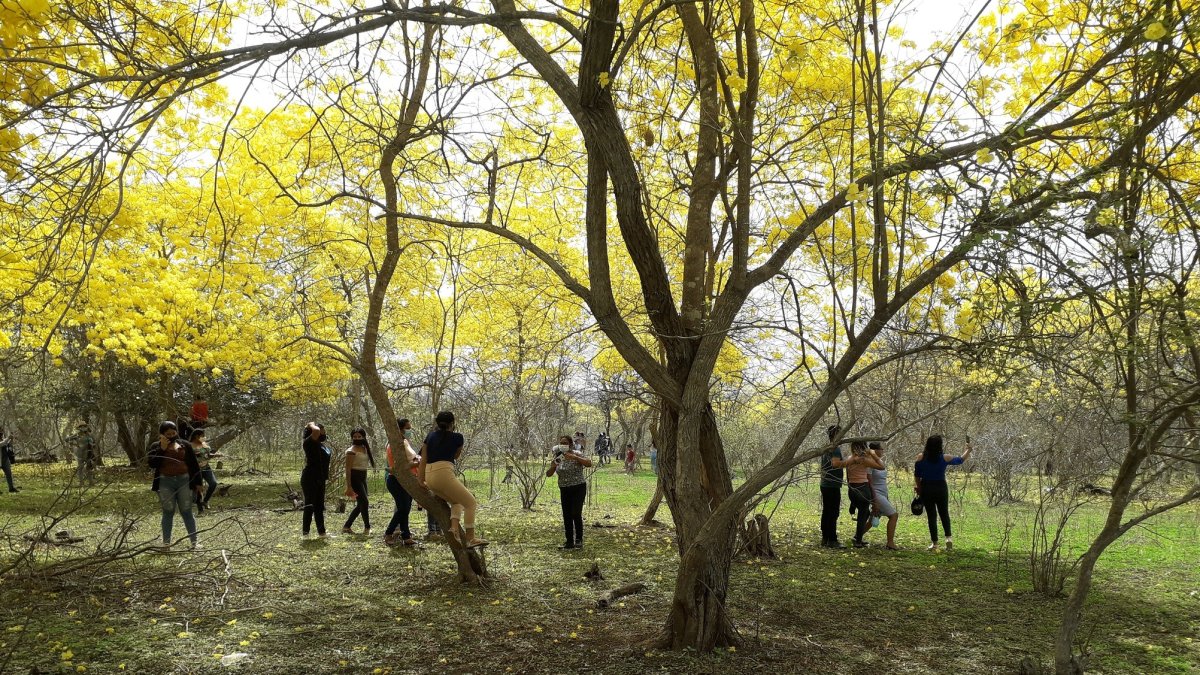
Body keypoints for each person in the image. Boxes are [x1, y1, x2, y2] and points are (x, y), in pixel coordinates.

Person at [418, 411, 486, 548]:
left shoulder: (429, 436)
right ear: (452, 423)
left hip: (430, 476)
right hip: (444, 473)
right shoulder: (458, 437)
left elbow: (423, 459)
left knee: (456, 501)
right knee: (471, 503)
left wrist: (421, 480)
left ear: (437, 423)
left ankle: (454, 528)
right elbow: (456, 456)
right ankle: (470, 538)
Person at [147, 421, 201, 548]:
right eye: (168, 434)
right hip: (165, 482)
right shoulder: (155, 446)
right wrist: (162, 449)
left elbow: (194, 465)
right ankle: (166, 543)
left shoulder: (185, 445)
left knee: (187, 511)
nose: (171, 435)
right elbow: (152, 464)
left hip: (184, 481)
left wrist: (198, 483)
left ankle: (194, 542)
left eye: (173, 433)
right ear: (162, 434)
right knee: (168, 511)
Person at [914, 434, 973, 551]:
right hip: (941, 487)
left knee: (932, 516)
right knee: (944, 513)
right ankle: (948, 539)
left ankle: (935, 543)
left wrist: (919, 488)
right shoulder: (945, 457)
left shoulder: (921, 457)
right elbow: (960, 460)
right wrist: (968, 450)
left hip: (927, 487)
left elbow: (917, 475)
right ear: (940, 445)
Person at [819, 424, 865, 549]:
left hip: (826, 483)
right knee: (833, 512)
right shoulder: (835, 449)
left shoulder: (827, 447)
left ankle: (825, 538)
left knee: (827, 511)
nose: (843, 435)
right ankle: (832, 540)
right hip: (831, 484)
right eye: (841, 433)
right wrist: (852, 461)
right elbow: (835, 464)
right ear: (835, 434)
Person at [547, 435, 593, 549]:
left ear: (570, 444)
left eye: (565, 443)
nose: (563, 445)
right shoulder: (558, 457)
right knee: (566, 515)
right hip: (564, 489)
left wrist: (575, 457)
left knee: (576, 513)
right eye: (561, 443)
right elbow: (548, 474)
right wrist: (553, 466)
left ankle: (579, 539)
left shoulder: (576, 453)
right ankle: (569, 541)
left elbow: (589, 463)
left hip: (578, 487)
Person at [384, 418, 420, 546]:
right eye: (405, 429)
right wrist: (419, 462)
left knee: (406, 509)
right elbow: (401, 465)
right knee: (403, 509)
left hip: (409, 479)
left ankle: (406, 536)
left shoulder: (404, 442)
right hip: (396, 480)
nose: (407, 432)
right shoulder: (394, 445)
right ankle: (388, 533)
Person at [846, 441, 884, 548]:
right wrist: (873, 454)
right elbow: (881, 466)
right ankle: (858, 541)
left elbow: (848, 477)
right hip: (862, 487)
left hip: (852, 488)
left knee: (865, 512)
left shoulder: (850, 459)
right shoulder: (864, 460)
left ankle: (858, 538)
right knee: (863, 514)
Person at [301, 422, 332, 537]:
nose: (324, 433)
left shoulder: (321, 445)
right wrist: (311, 424)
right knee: (310, 505)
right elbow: (316, 431)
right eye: (322, 430)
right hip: (310, 478)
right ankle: (305, 533)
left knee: (319, 506)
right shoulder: (309, 442)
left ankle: (322, 532)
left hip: (321, 478)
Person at [867, 442, 900, 550]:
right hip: (877, 494)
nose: (883, 451)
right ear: (875, 450)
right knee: (893, 515)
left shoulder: (879, 462)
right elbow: (869, 483)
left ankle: (857, 537)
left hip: (883, 494)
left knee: (873, 520)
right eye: (881, 449)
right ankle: (890, 543)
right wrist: (874, 500)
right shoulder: (870, 464)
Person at [342, 427, 374, 535]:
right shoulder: (351, 451)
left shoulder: (365, 448)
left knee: (361, 504)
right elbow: (348, 469)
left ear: (363, 437)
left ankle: (347, 526)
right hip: (354, 477)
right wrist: (349, 486)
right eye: (354, 436)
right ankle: (367, 527)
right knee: (364, 502)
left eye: (359, 436)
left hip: (363, 476)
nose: (357, 438)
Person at [190, 428, 220, 514]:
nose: (204, 437)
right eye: (202, 436)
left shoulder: (204, 445)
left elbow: (208, 455)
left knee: (213, 483)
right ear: (196, 436)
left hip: (206, 468)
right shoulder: (190, 446)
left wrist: (215, 455)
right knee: (199, 488)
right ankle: (200, 510)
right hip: (195, 470)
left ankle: (205, 501)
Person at [0, 426, 18, 493]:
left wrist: (11, 439)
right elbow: (2, 444)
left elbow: (7, 445)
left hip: (5, 460)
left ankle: (11, 488)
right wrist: (8, 438)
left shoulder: (2, 438)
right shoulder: (3, 440)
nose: (1, 432)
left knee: (9, 474)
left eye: (1, 431)